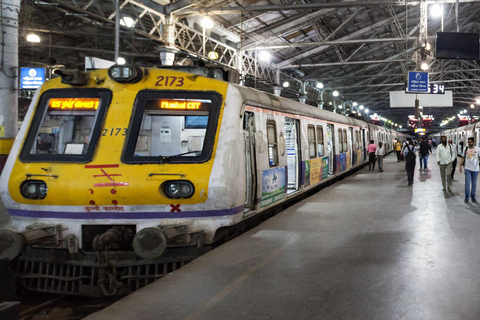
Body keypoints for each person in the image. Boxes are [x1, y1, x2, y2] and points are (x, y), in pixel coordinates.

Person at [459, 137, 480, 203]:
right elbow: (463, 158)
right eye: (468, 142)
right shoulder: (466, 149)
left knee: (474, 183)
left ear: (474, 142)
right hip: (467, 168)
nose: (469, 143)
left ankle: (473, 197)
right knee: (467, 183)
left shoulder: (478, 149)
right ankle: (467, 197)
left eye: (470, 142)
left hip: (475, 169)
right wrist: (460, 166)